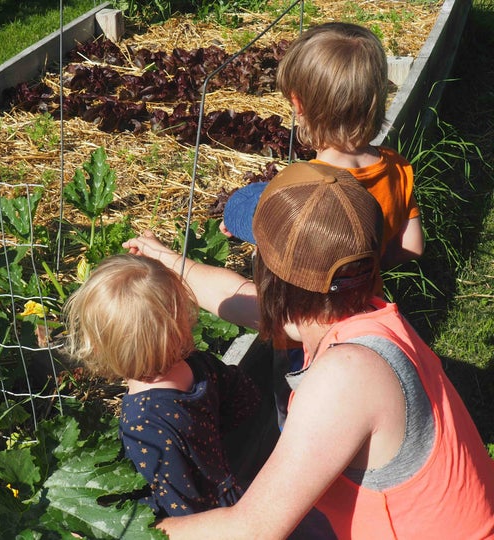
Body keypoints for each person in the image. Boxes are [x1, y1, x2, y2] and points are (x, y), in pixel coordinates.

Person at [125, 161, 494, 538]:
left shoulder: (345, 375)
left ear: (267, 273)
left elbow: (251, 530)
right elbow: (232, 296)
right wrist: (167, 260)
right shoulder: (366, 316)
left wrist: (124, 530)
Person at [222, 22, 427, 427]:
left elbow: (271, 223)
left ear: (298, 105)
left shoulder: (308, 186)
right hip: (366, 315)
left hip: (308, 328)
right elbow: (413, 246)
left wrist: (251, 221)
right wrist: (366, 263)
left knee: (303, 411)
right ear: (377, 98)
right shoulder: (397, 167)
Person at [62, 254, 261, 517]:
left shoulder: (142, 421)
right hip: (227, 489)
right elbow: (246, 398)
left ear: (100, 348)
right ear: (180, 321)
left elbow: (180, 507)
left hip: (208, 520)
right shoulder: (199, 366)